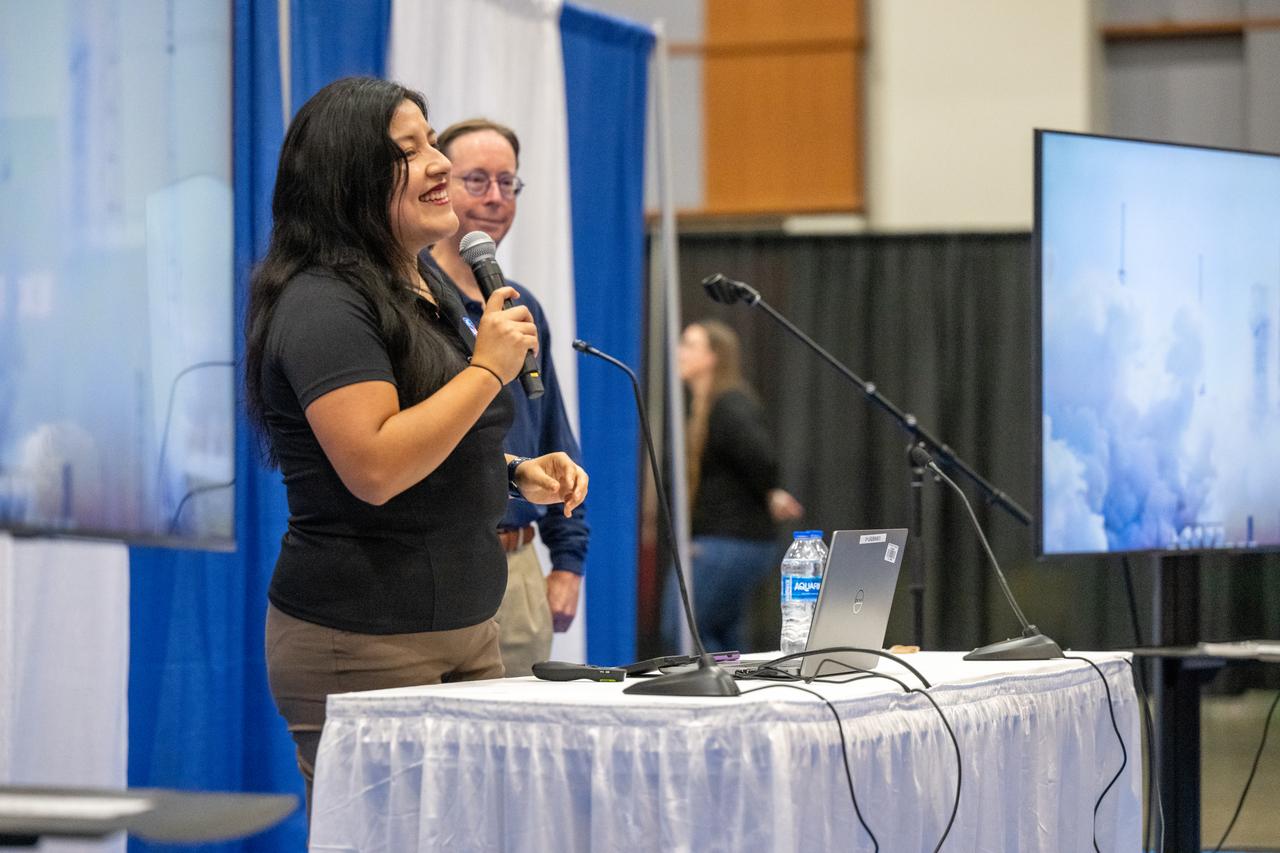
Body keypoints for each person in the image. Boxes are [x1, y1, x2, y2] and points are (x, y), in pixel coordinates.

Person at [242, 77, 587, 807]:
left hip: (465, 627)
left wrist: (516, 470)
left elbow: (429, 435)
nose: (436, 163)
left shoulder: (418, 280)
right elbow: (372, 464)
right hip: (363, 639)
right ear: (349, 176)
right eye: (411, 149)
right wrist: (489, 366)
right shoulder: (323, 302)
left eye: (431, 140)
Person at [426, 118, 588, 677]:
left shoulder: (522, 308)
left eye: (507, 183)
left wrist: (567, 561)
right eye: (477, 181)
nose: (495, 198)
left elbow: (551, 436)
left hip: (517, 567)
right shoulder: (413, 298)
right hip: (434, 565)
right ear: (439, 185)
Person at [662, 319, 803, 653]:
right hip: (732, 541)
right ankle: (734, 695)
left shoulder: (729, 406)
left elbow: (763, 459)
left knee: (684, 629)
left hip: (728, 541)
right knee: (724, 637)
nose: (680, 352)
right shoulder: (708, 405)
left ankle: (712, 694)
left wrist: (771, 490)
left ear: (713, 357)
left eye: (689, 345)